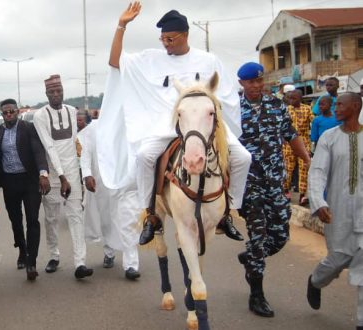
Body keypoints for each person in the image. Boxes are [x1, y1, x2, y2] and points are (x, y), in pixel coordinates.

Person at [103, 2, 249, 244]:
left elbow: (225, 96)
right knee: (143, 157)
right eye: (163, 39)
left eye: (170, 39)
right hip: (166, 127)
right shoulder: (151, 59)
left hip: (203, 127)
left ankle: (229, 212)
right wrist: (122, 25)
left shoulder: (208, 60)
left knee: (243, 158)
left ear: (185, 35)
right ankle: (150, 215)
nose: (166, 44)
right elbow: (115, 61)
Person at [236, 62, 312, 317]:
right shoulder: (232, 109)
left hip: (275, 182)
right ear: (242, 84)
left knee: (280, 236)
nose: (257, 86)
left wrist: (308, 161)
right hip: (249, 184)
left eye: (260, 81)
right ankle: (256, 294)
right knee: (258, 236)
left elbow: (291, 136)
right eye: (251, 82)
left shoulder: (277, 106)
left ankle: (251, 257)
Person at [305, 92, 363, 329]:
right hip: (338, 210)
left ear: (356, 106)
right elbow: (317, 172)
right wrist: (319, 202)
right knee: (337, 259)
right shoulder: (329, 138)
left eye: (341, 104)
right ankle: (316, 281)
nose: (335, 107)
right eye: (336, 104)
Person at [33, 74, 93, 279]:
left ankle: (80, 263)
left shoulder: (71, 111)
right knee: (51, 217)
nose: (56, 95)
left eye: (59, 91)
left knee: (76, 215)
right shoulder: (40, 115)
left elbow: (74, 142)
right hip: (51, 174)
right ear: (46, 94)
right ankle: (54, 256)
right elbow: (49, 146)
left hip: (71, 173)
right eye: (52, 92)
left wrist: (77, 172)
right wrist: (60, 176)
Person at [0, 99, 50, 281]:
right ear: (2, 115)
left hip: (30, 180)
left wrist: (43, 173)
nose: (9, 115)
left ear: (17, 112)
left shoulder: (27, 128)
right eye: (5, 113)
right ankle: (22, 250)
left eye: (12, 112)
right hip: (9, 182)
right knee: (15, 221)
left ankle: (31, 262)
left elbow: (38, 151)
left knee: (32, 220)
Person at [78, 115, 140, 280]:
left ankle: (131, 265)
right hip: (102, 184)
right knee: (107, 220)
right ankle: (109, 252)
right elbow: (85, 154)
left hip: (126, 183)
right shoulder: (92, 129)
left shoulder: (131, 125)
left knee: (129, 220)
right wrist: (87, 174)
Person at [282, 90, 313, 204]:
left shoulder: (307, 109)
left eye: (294, 98)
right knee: (287, 168)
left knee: (303, 169)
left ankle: (302, 195)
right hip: (288, 144)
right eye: (290, 98)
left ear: (300, 98)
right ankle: (286, 191)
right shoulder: (286, 110)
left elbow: (313, 122)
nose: (291, 101)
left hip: (303, 142)